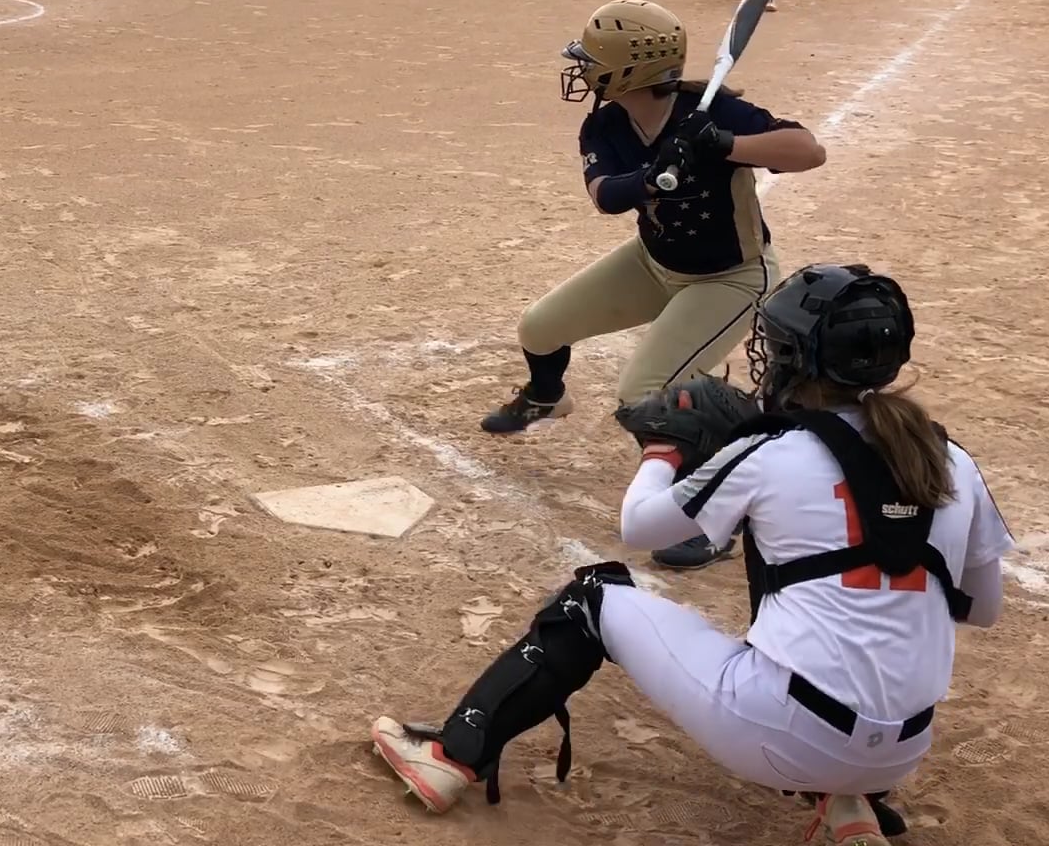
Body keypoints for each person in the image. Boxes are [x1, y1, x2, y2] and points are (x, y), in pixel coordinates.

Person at [373, 263, 1015, 846]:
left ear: (797, 357)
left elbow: (639, 527)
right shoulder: (951, 458)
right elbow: (983, 609)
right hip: (901, 751)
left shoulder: (774, 450)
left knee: (591, 599)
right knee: (812, 606)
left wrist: (664, 449)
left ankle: (451, 757)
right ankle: (853, 804)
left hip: (782, 734)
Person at [479, 0, 827, 570]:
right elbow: (605, 197)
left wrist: (724, 145)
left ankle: (713, 519)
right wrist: (652, 175)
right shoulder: (606, 123)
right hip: (653, 263)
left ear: (628, 70)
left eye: (593, 60)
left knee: (646, 392)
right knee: (540, 328)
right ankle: (546, 397)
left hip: (731, 277)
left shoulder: (710, 113)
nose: (583, 68)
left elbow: (808, 151)